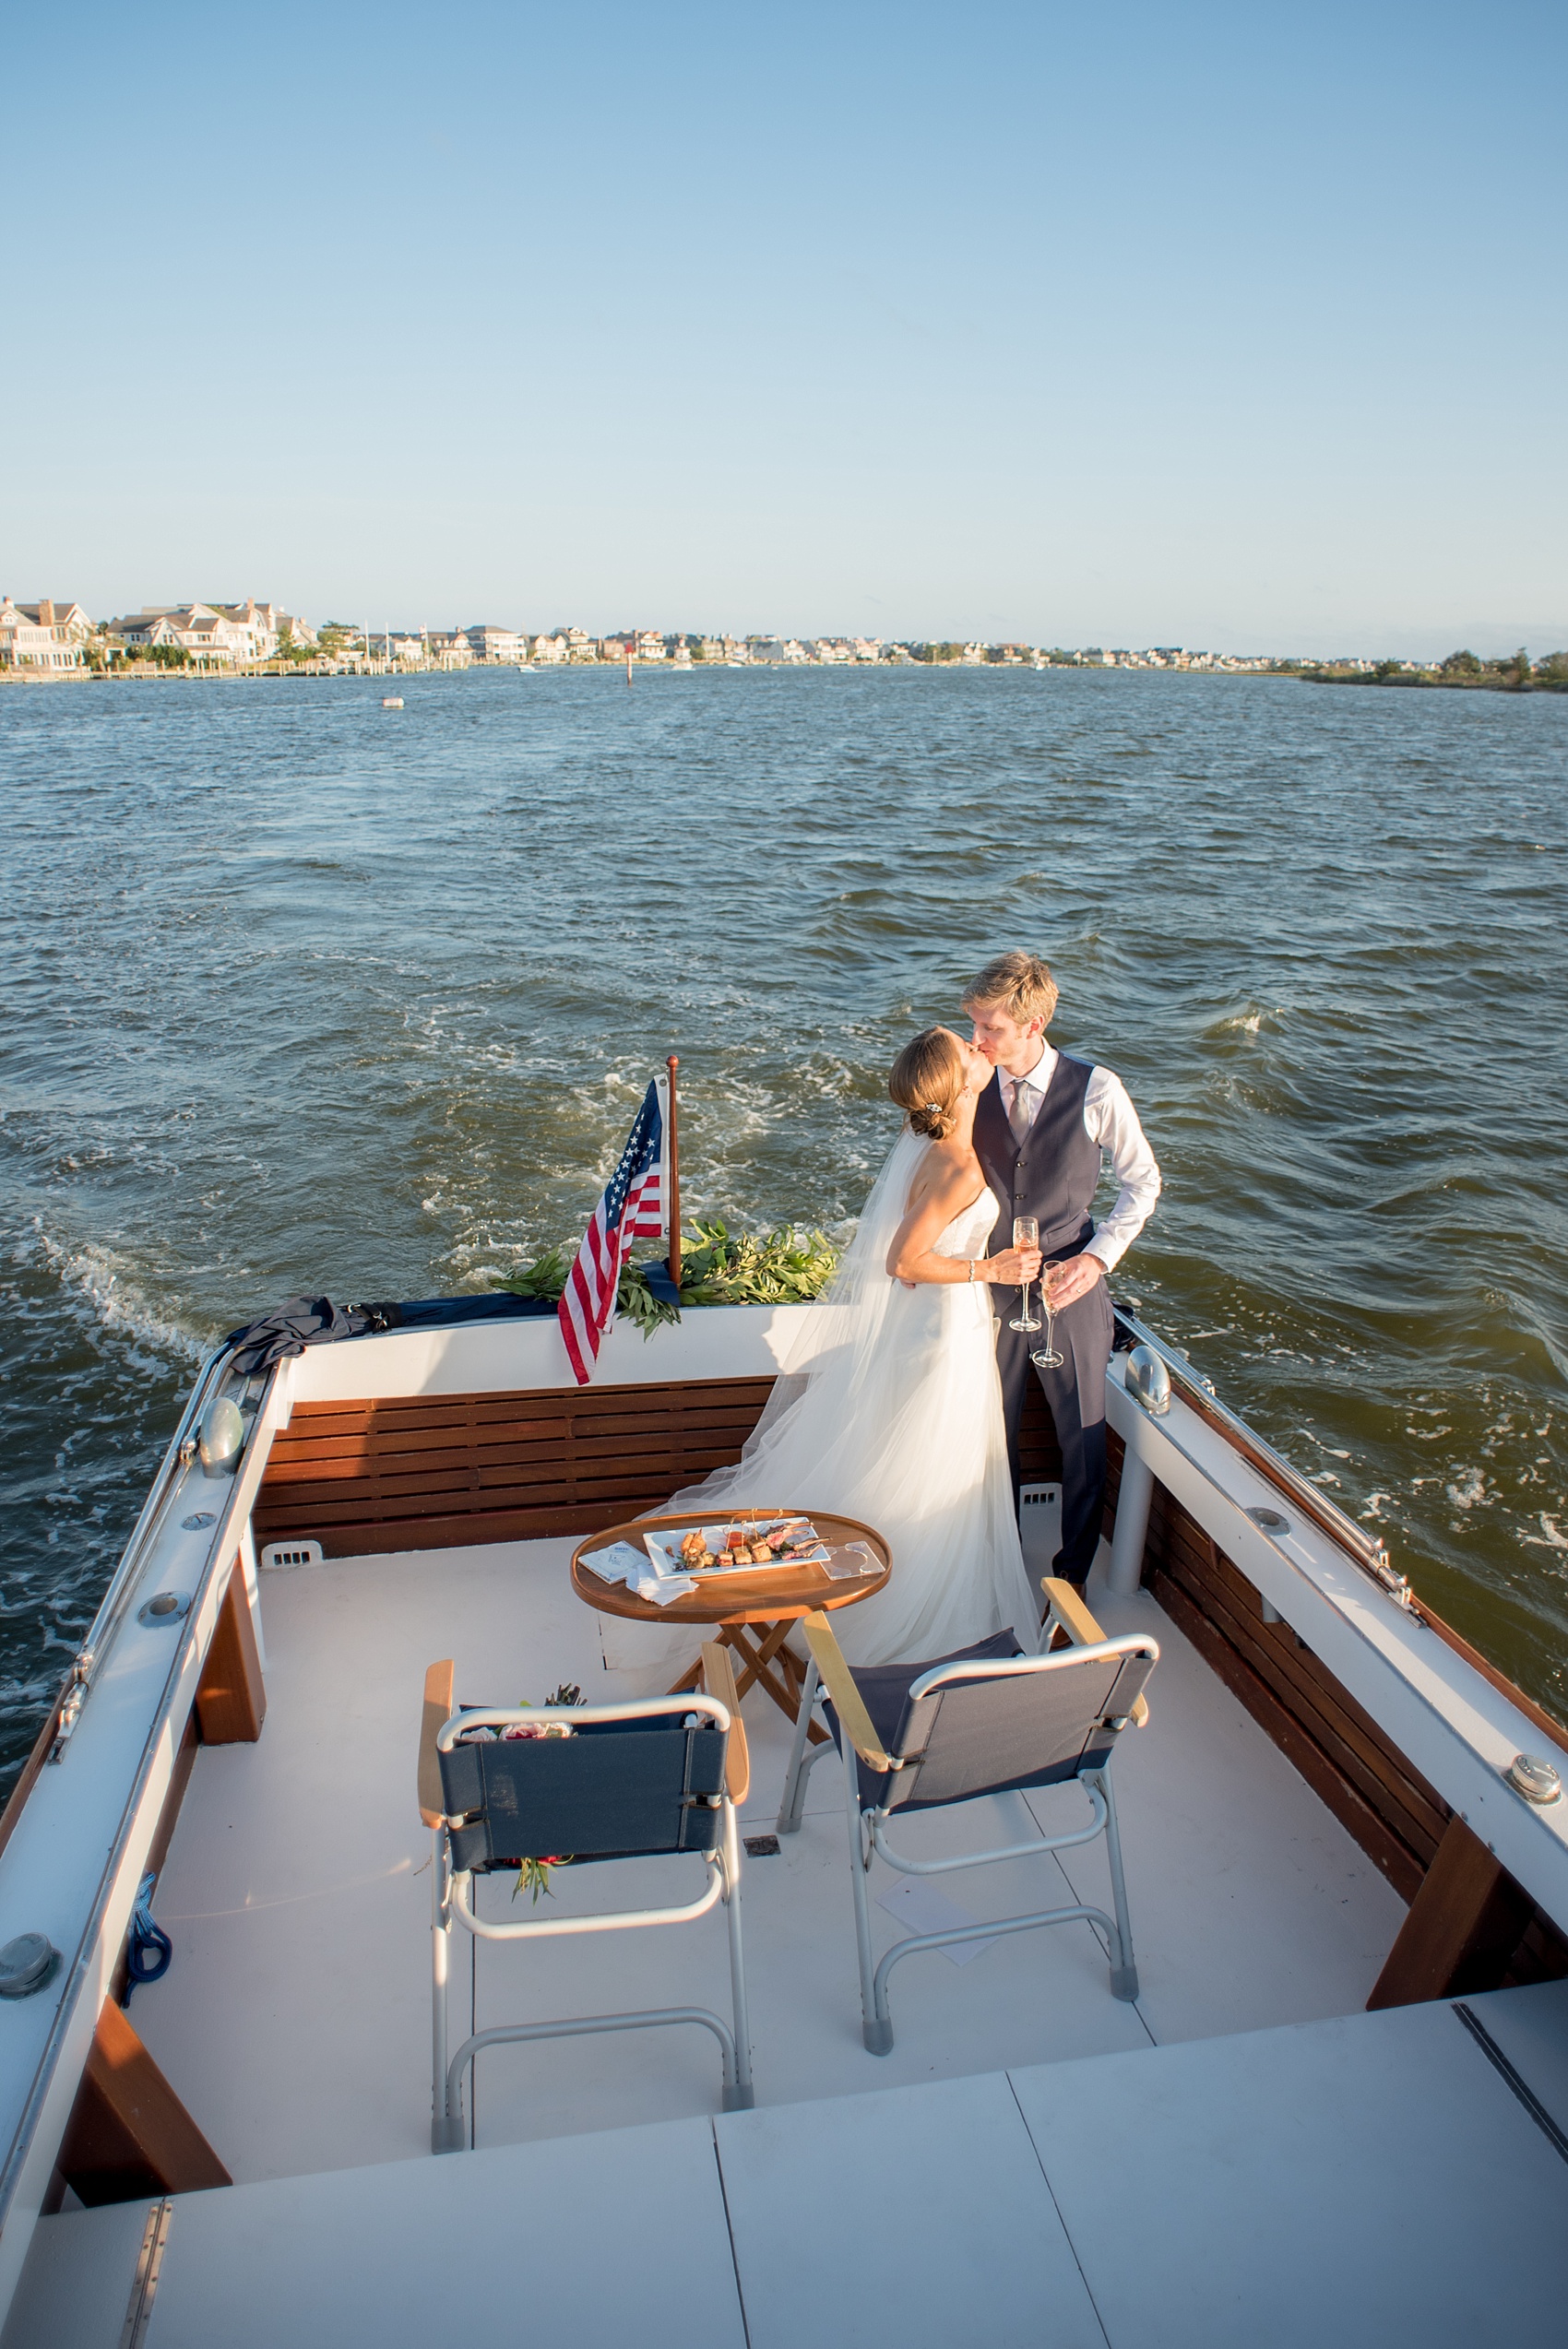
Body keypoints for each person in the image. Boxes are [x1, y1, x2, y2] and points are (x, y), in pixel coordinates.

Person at [655, 1026, 1041, 1667]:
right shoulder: (959, 1166)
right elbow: (904, 1259)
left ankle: (876, 1574)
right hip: (943, 1330)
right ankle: (908, 1603)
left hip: (929, 1323)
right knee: (933, 1463)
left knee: (910, 1456)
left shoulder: (924, 1140)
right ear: (960, 1083)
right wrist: (991, 1270)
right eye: (968, 1050)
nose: (980, 1050)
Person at [964, 950, 1161, 1589]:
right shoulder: (969, 1086)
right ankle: (998, 1565)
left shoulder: (1097, 1089)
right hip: (992, 1289)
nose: (977, 1039)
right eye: (974, 1024)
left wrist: (1096, 1258)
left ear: (1035, 1021)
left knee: (1081, 1438)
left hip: (1070, 1291)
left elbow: (1143, 1183)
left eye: (990, 1027)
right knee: (991, 1434)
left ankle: (1070, 1577)